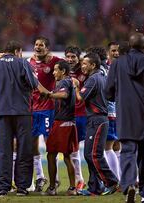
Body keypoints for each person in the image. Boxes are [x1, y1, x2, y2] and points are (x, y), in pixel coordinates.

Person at [105, 33, 144, 203]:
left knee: (127, 151)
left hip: (124, 114)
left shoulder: (117, 64)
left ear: (130, 46)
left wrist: (119, 99)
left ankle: (128, 186)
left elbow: (108, 91)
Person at [0, 40, 44, 197]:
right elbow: (32, 83)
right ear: (18, 51)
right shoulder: (23, 63)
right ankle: (22, 187)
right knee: (24, 149)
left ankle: (3, 187)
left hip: (1, 113)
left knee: (3, 150)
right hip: (22, 112)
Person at [73, 53, 119, 196]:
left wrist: (76, 86)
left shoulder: (93, 79)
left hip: (97, 120)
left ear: (93, 65)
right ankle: (95, 187)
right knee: (89, 154)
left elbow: (80, 98)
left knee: (94, 154)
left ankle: (111, 182)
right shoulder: (101, 77)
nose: (82, 66)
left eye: (85, 63)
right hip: (96, 120)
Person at [28, 36, 62, 192]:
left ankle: (54, 180)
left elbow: (67, 72)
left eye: (41, 45)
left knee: (50, 146)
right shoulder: (29, 62)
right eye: (36, 44)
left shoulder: (55, 61)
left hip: (48, 108)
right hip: (32, 109)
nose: (37, 47)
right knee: (32, 145)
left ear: (47, 48)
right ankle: (40, 177)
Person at [42, 60, 77, 196]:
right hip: (63, 122)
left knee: (57, 155)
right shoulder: (66, 82)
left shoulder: (64, 82)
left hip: (64, 123)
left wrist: (50, 95)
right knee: (56, 155)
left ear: (63, 71)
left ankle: (56, 188)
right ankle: (68, 188)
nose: (53, 72)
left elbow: (64, 95)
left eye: (56, 70)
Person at [65, 45, 87, 190]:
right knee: (72, 148)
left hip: (83, 114)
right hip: (68, 114)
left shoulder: (85, 71)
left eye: (73, 56)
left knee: (84, 149)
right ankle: (80, 179)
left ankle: (84, 180)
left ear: (79, 58)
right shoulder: (62, 70)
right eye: (68, 56)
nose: (70, 59)